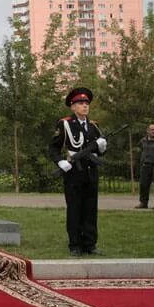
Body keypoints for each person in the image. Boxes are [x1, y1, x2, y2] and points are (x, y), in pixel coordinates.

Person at [48, 87, 107, 256]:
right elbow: (53, 148)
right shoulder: (65, 123)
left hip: (91, 172)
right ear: (73, 107)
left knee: (90, 208)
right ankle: (75, 244)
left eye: (86, 103)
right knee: (74, 208)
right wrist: (60, 162)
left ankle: (90, 244)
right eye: (80, 103)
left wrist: (102, 148)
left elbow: (98, 150)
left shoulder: (94, 126)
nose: (84, 106)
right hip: (73, 172)